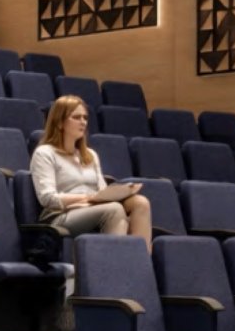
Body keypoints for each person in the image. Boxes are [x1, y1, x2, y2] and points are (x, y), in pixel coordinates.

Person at [30, 95, 152, 251]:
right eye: (76, 117)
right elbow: (47, 198)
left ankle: (140, 261)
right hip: (61, 215)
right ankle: (116, 267)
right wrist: (87, 198)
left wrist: (119, 193)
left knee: (140, 202)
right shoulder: (45, 153)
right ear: (60, 122)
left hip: (92, 207)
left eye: (85, 118)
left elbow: (101, 191)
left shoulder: (90, 155)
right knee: (114, 209)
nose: (83, 122)